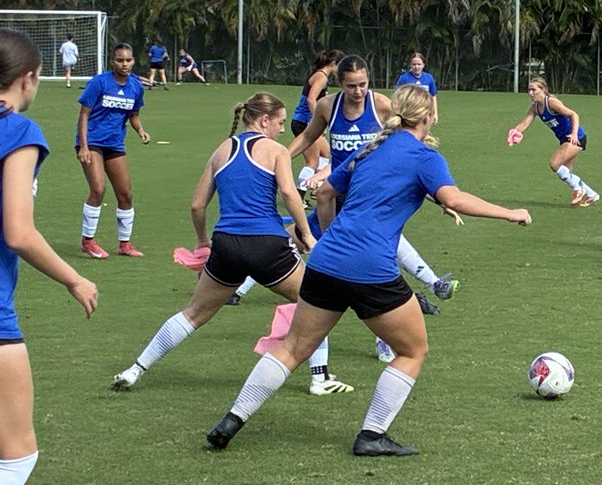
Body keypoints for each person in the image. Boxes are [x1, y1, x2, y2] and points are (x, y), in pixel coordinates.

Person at [206, 85, 531, 457]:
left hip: (326, 261)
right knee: (412, 350)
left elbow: (325, 193)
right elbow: (453, 196)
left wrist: (330, 236)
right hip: (370, 268)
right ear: (429, 117)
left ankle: (231, 421)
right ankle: (372, 435)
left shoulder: (370, 148)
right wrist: (511, 213)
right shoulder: (425, 156)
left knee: (293, 348)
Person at [110, 93, 353, 396]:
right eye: (279, 123)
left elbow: (197, 206)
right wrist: (307, 234)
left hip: (226, 245)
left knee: (193, 313)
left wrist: (203, 244)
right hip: (267, 245)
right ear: (264, 120)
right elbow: (290, 195)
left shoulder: (222, 150)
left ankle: (135, 369)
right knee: (317, 300)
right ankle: (320, 378)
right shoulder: (275, 151)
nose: (282, 130)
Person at [0, 28, 98, 485]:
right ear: (29, 78)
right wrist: (73, 277)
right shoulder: (18, 130)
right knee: (17, 455)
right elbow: (18, 232)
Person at [287, 54, 458, 334]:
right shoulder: (328, 107)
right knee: (308, 241)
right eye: (351, 86)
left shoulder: (381, 105)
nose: (358, 91)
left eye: (363, 84)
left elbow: (408, 148)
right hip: (336, 193)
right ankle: (428, 286)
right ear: (340, 83)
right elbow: (308, 137)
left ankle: (418, 296)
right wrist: (280, 159)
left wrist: (437, 194)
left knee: (371, 250)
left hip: (369, 192)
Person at [76, 43, 151, 259]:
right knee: (98, 189)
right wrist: (83, 146)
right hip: (92, 141)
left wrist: (140, 130)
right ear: (112, 61)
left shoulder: (136, 87)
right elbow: (84, 114)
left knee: (125, 194)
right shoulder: (100, 82)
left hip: (115, 144)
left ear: (133, 61)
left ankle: (124, 244)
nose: (124, 64)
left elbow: (133, 115)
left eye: (128, 60)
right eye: (120, 60)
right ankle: (87, 241)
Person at [507, 77, 599, 206]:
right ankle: (591, 194)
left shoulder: (551, 102)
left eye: (534, 90)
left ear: (543, 89)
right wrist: (515, 132)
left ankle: (579, 189)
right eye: (529, 90)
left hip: (576, 137)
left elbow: (574, 115)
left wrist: (574, 134)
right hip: (565, 140)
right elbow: (524, 123)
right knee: (566, 172)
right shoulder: (535, 108)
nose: (531, 93)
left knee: (554, 164)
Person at [292, 50, 343, 189]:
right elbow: (311, 100)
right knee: (312, 162)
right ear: (333, 63)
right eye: (340, 66)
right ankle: (300, 195)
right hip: (304, 122)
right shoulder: (321, 77)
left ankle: (317, 187)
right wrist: (319, 122)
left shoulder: (321, 75)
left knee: (326, 153)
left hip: (304, 121)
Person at [393, 52, 438, 124]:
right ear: (410, 65)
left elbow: (433, 96)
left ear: (423, 65)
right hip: (409, 114)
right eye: (414, 64)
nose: (416, 67)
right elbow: (397, 97)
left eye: (419, 64)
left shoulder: (429, 78)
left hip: (424, 114)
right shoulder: (404, 78)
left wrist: (435, 113)